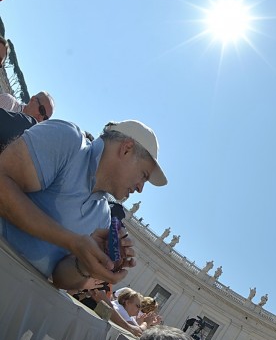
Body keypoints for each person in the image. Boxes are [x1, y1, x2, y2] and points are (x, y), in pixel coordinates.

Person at [0, 119, 168, 290]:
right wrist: (73, 241)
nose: (140, 188)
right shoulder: (67, 140)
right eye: (143, 175)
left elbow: (60, 279)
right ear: (126, 149)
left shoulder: (103, 217)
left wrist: (86, 264)